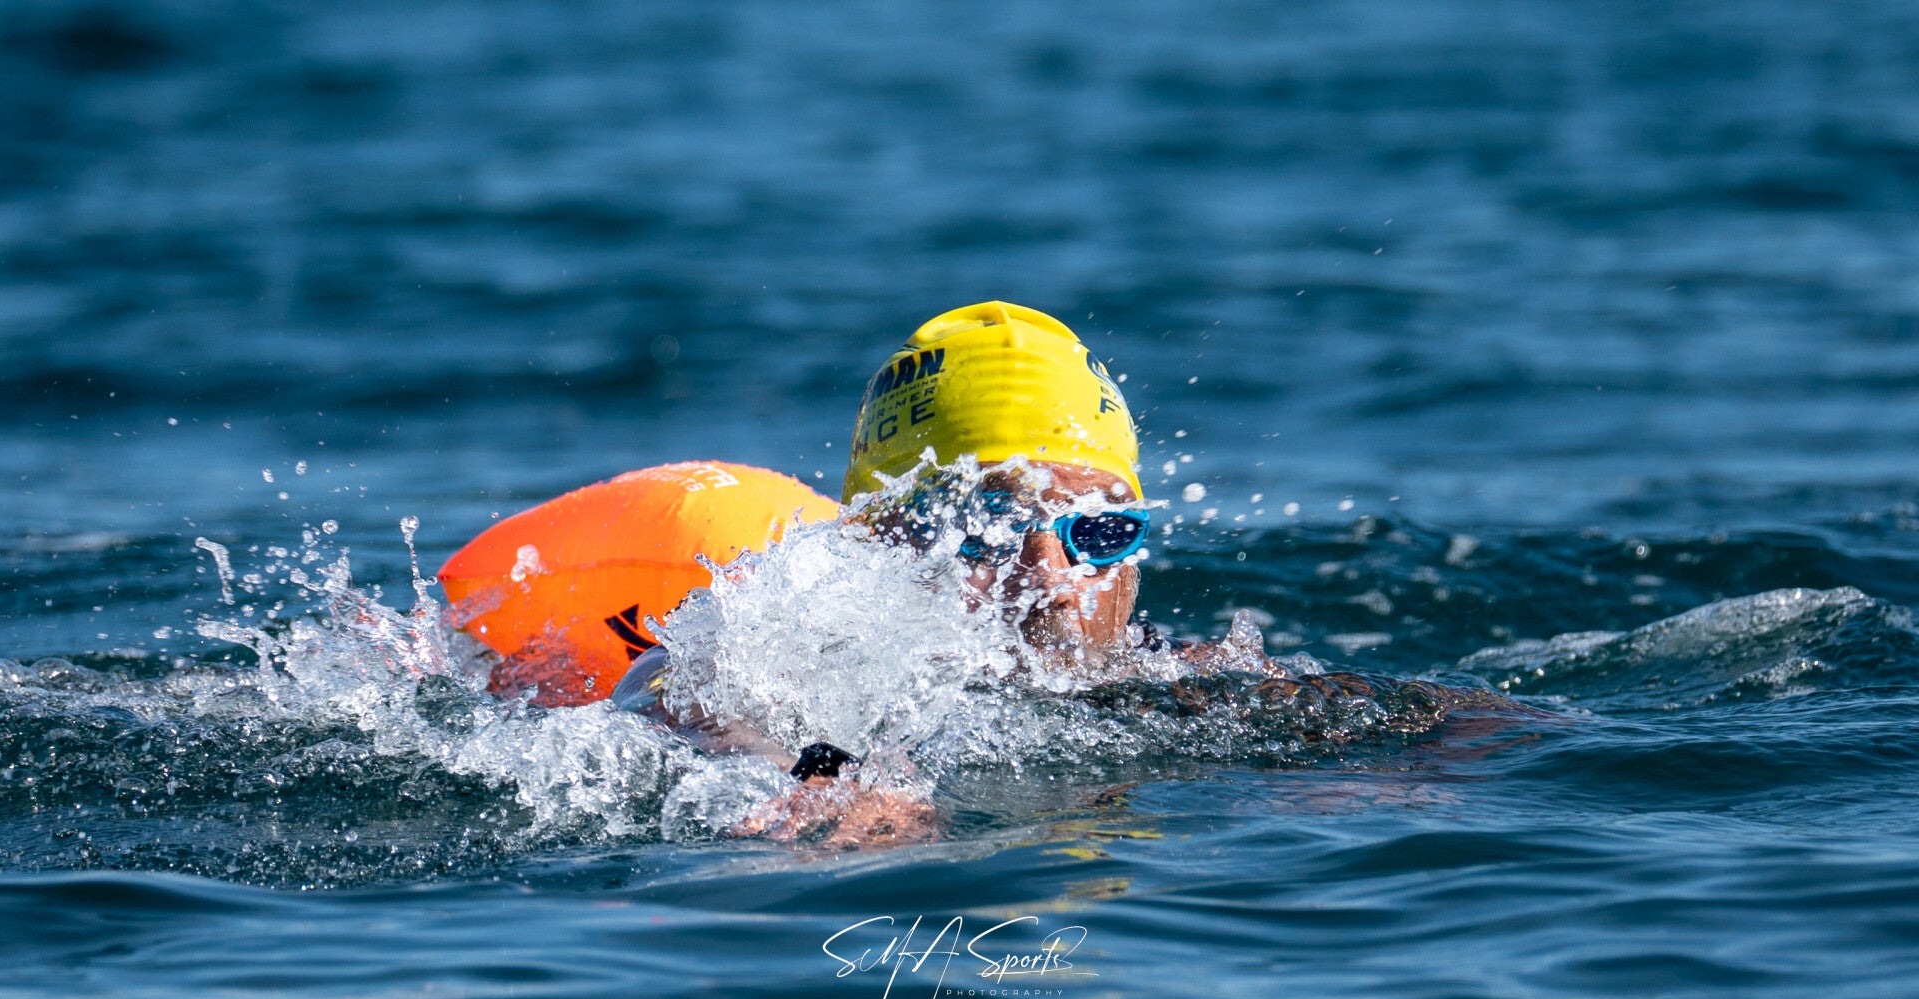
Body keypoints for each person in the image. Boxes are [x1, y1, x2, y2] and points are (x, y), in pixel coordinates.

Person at [615, 301, 1520, 843]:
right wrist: (814, 776)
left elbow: (1474, 728)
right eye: (987, 527)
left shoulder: (1182, 683)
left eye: (1099, 531)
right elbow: (680, 693)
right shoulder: (785, 657)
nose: (1049, 577)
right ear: (881, 539)